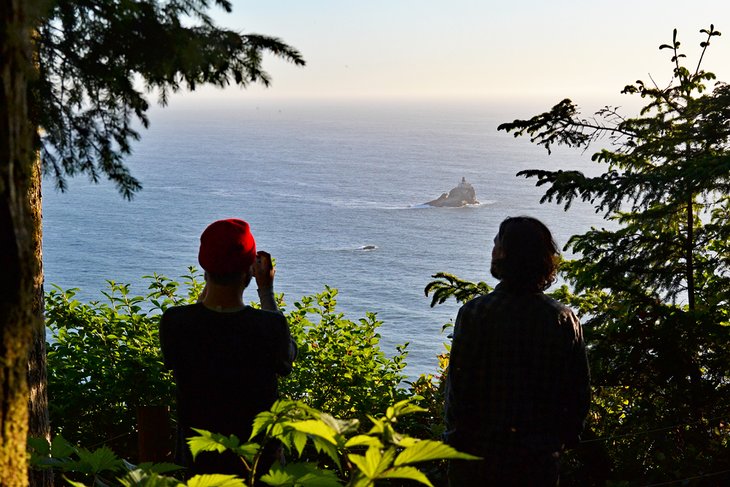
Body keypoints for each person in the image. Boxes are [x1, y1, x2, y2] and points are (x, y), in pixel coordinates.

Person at [444, 216, 590, 486]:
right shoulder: (564, 319)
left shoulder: (476, 313)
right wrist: (563, 439)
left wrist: (455, 441)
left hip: (479, 458)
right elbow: (578, 390)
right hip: (538, 460)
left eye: (497, 243)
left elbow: (460, 389)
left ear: (505, 254)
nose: (492, 249)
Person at [159, 218, 297, 478]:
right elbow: (286, 359)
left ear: (204, 269)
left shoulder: (175, 322)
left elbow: (203, 320)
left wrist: (212, 278)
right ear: (249, 272)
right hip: (259, 466)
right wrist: (266, 291)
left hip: (198, 466)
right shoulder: (269, 327)